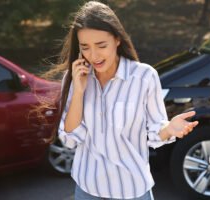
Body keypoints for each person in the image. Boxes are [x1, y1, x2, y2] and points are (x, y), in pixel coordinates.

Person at [56, 1, 199, 200]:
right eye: (85, 48)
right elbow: (69, 139)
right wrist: (79, 91)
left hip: (132, 190)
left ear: (117, 40)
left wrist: (169, 129)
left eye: (101, 45)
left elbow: (156, 130)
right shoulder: (74, 78)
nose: (94, 55)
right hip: (88, 189)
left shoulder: (144, 77)